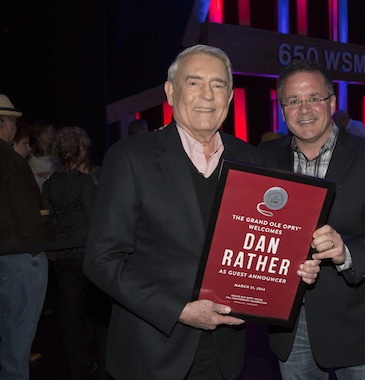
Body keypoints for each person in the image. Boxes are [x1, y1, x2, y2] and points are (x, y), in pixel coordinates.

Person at [83, 45, 320, 380]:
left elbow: (263, 242)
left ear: (230, 96)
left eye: (219, 85)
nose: (207, 95)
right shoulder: (131, 158)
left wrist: (294, 265)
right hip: (153, 351)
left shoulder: (251, 160)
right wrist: (178, 311)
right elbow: (102, 259)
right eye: (194, 83)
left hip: (224, 352)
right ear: (170, 91)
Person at [258, 60, 365, 379]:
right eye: (293, 101)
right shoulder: (262, 158)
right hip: (289, 325)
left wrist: (347, 253)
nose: (304, 109)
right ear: (282, 108)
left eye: (314, 98)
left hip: (355, 324)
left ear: (331, 102)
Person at [0, 94, 52, 380]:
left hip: (5, 251)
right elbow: (27, 212)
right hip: (20, 253)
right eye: (12, 123)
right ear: (3, 123)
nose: (14, 129)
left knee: (9, 333)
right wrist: (38, 247)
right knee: (18, 337)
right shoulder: (11, 161)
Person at [42, 127, 99, 379]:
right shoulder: (85, 182)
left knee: (70, 315)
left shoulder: (49, 184)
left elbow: (48, 221)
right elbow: (96, 221)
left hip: (62, 258)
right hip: (87, 255)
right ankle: (103, 362)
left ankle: (79, 367)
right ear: (79, 151)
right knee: (99, 311)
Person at [28, 120, 58, 190]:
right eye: (46, 132)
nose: (50, 135)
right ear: (38, 134)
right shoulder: (30, 155)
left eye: (52, 131)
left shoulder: (57, 154)